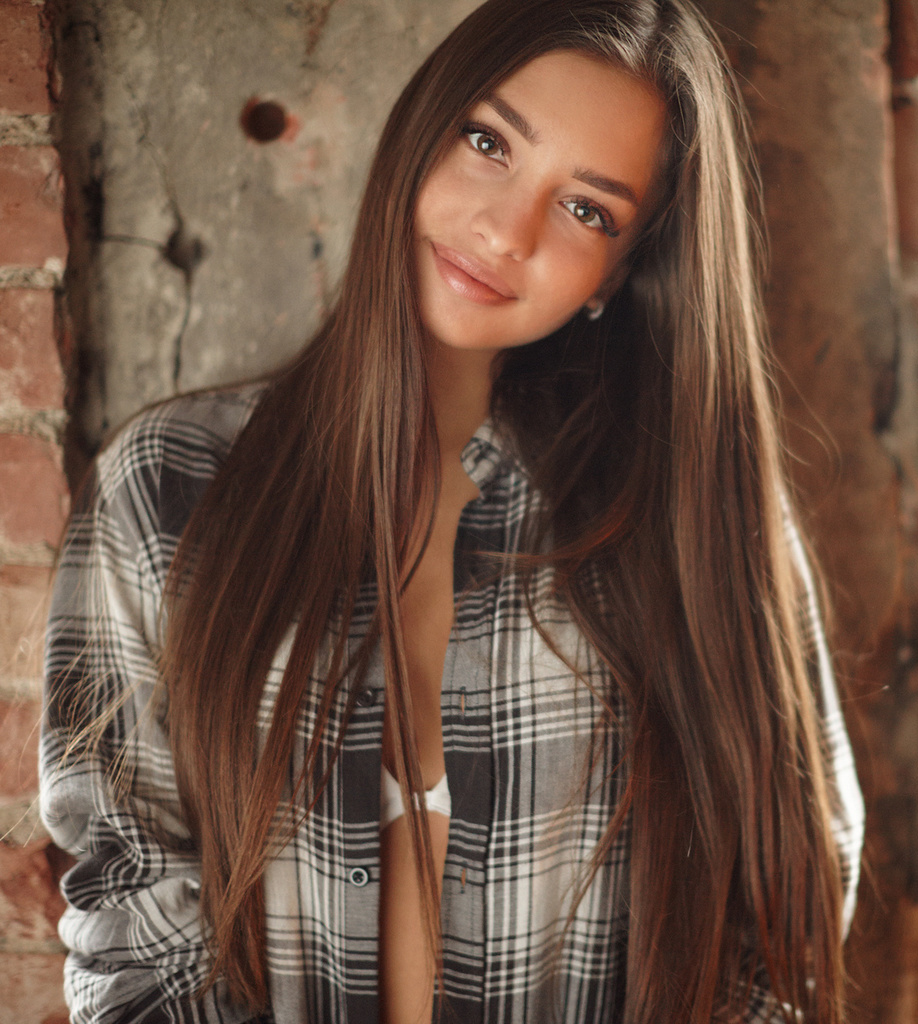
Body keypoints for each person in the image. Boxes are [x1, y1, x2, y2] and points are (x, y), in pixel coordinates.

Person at [40, 1, 864, 1021]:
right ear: (421, 128)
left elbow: (781, 921)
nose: (502, 229)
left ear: (621, 271)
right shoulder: (169, 486)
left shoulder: (691, 520)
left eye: (586, 210)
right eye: (488, 143)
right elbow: (130, 904)